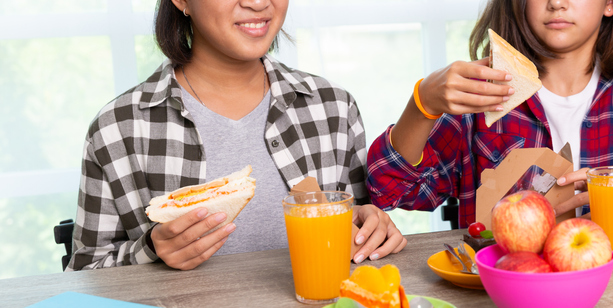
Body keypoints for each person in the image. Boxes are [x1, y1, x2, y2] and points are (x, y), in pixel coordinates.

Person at [68, 0, 406, 271]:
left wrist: (371, 225)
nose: (258, 3)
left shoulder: (333, 105)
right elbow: (85, 272)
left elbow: (360, 230)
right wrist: (152, 250)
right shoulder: (119, 127)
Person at [366, 0, 613, 227]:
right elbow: (391, 189)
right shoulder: (483, 87)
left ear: (611, 4)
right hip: (503, 296)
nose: (557, 2)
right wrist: (422, 105)